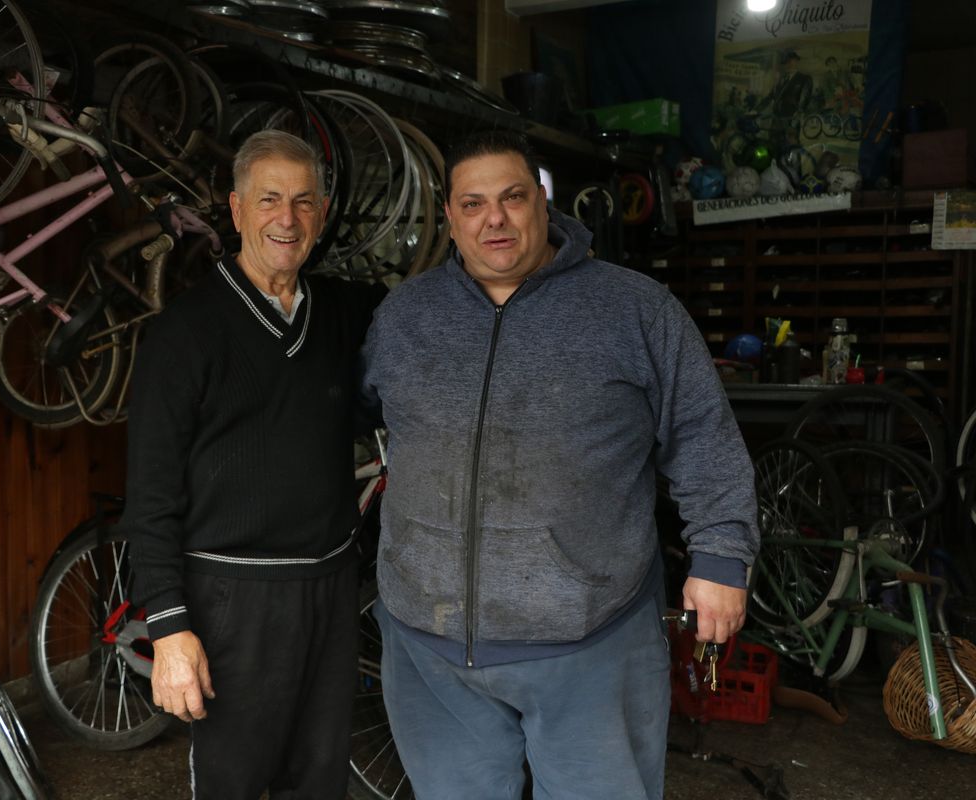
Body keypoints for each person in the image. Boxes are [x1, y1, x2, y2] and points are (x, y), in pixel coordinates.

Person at [359, 130, 759, 799]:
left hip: (590, 640)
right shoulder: (404, 316)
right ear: (450, 218)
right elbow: (362, 416)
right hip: (428, 645)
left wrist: (720, 557)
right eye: (474, 203)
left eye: (513, 198)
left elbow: (701, 433)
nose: (495, 218)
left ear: (543, 204)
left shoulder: (633, 308)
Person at [121, 129, 384, 799]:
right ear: (237, 211)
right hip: (230, 597)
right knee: (234, 783)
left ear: (322, 214)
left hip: (328, 588)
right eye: (270, 200)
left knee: (320, 782)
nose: (287, 219)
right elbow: (150, 495)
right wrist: (170, 628)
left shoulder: (348, 313)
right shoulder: (184, 333)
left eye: (302, 201)